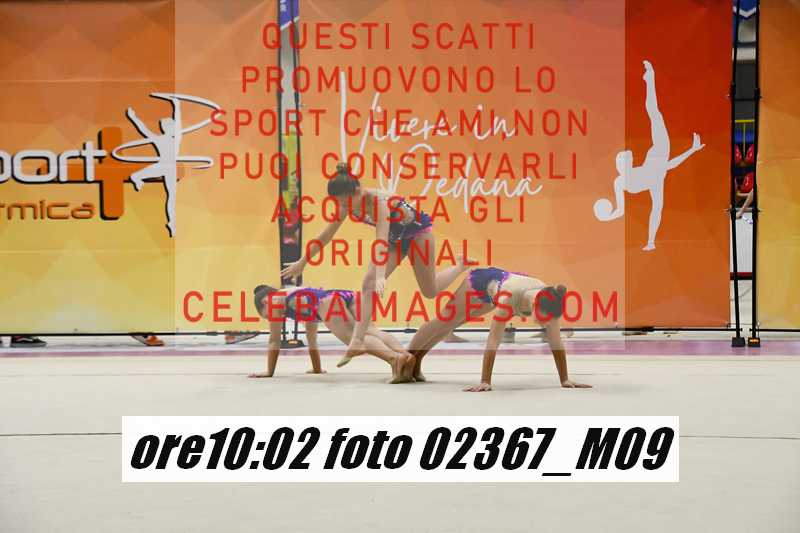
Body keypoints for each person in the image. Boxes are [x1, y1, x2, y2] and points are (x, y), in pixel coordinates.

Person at [280, 162, 472, 360]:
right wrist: (302, 261)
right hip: (395, 237)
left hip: (417, 232)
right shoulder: (347, 204)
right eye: (339, 203)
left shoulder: (379, 202)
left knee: (430, 290)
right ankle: (357, 342)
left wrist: (381, 275)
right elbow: (325, 235)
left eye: (345, 202)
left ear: (358, 191)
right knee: (368, 283)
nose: (343, 207)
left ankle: (460, 265)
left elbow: (381, 240)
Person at [404, 267, 591, 391]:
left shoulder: (550, 301)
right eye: (544, 320)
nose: (546, 324)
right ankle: (408, 360)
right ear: (535, 305)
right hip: (478, 282)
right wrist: (485, 381)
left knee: (452, 323)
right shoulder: (508, 300)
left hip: (497, 286)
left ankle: (417, 361)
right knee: (446, 320)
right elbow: (493, 340)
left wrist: (565, 379)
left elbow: (556, 342)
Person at [594, 60, 705, 251]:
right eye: (624, 160)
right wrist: (606, 216)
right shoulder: (624, 181)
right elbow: (619, 210)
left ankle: (650, 78)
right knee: (657, 207)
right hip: (659, 154)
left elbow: (669, 165)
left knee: (653, 112)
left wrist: (691, 150)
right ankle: (651, 242)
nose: (625, 162)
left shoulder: (626, 179)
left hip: (657, 153)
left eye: (625, 160)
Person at [248, 284, 415, 383]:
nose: (274, 319)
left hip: (329, 302)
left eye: (267, 316)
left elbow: (274, 341)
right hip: (345, 295)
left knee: (356, 341)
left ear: (265, 302)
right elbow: (312, 338)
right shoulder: (297, 297)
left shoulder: (275, 301)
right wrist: (317, 369)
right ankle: (405, 356)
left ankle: (394, 359)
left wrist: (269, 372)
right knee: (371, 331)